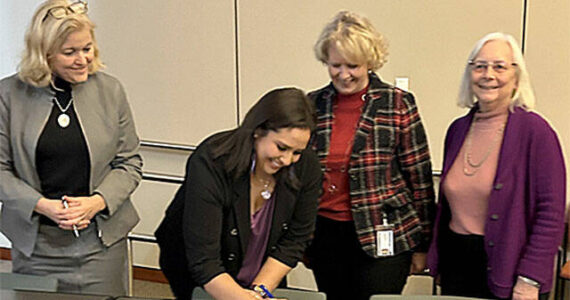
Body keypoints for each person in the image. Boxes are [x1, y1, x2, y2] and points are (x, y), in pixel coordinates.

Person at [0, 0, 142, 296]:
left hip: (101, 245)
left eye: (87, 48)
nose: (83, 60)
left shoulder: (111, 90)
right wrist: (42, 205)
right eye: (70, 52)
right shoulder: (8, 95)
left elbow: (129, 163)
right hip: (35, 247)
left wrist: (97, 201)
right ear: (44, 53)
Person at [305, 11, 435, 300]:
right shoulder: (312, 104)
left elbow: (420, 178)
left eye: (353, 65)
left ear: (370, 62)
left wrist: (424, 244)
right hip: (326, 235)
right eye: (335, 65)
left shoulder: (397, 103)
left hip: (384, 233)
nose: (343, 74)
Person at [426, 32, 566, 300]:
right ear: (470, 75)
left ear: (516, 77)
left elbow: (550, 213)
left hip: (511, 269)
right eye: (479, 66)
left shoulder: (536, 131)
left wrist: (530, 279)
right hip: (457, 263)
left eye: (499, 67)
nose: (488, 75)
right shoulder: (458, 130)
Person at [155, 87, 322, 300]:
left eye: (296, 152)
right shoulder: (213, 159)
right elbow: (204, 261)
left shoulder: (307, 167)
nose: (287, 160)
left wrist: (259, 293)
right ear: (258, 131)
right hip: (200, 271)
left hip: (261, 273)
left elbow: (294, 241)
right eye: (281, 147)